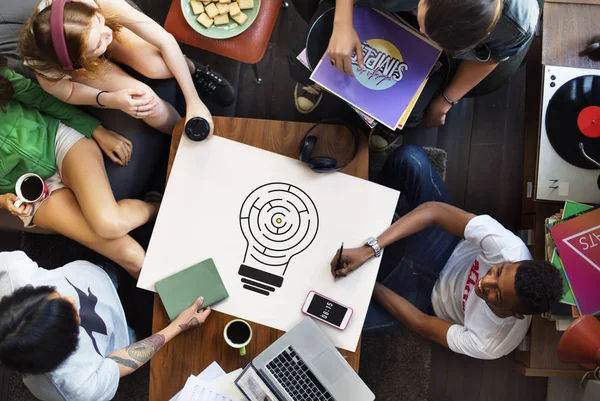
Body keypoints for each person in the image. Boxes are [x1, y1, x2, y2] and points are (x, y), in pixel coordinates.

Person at [330, 144, 564, 360]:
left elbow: (420, 322)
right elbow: (434, 212)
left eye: (497, 295)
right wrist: (371, 248)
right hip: (444, 245)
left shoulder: (490, 343)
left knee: (337, 320)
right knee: (410, 158)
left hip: (422, 297)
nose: (485, 282)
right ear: (515, 262)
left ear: (515, 314)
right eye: (499, 271)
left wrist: (368, 284)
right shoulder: (509, 248)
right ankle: (378, 206)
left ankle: (389, 227)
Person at [0, 56, 156, 278]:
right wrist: (4, 202)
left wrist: (97, 131)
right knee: (133, 257)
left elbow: (44, 100)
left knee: (110, 223)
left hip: (57, 142)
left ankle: (156, 206)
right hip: (29, 193)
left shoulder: (3, 77)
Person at [289, 0, 538, 129]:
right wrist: (342, 23)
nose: (420, 30)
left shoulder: (516, 22)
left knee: (412, 116)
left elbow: (493, 57)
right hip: (367, 7)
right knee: (302, 64)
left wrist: (445, 103)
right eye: (424, 22)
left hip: (428, 53)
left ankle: (386, 124)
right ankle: (320, 81)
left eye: (428, 32)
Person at [0, 251, 212, 401]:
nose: (72, 300)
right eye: (72, 314)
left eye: (55, 294)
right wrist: (177, 326)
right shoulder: (77, 387)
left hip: (99, 270)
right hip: (126, 323)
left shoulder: (9, 274)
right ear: (67, 345)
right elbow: (118, 363)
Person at [20, 0, 236, 138]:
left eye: (99, 21)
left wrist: (193, 100)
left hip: (85, 39)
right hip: (79, 58)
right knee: (143, 99)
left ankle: (194, 70)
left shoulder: (92, 5)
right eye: (99, 44)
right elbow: (68, 92)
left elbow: (164, 40)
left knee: (158, 65)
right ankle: (183, 135)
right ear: (78, 64)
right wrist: (112, 99)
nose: (108, 33)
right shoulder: (46, 67)